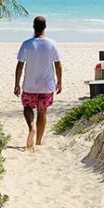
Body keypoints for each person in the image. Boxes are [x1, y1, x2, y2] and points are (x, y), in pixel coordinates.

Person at [14, 16, 62, 150]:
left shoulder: (27, 44)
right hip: (46, 86)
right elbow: (58, 65)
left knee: (27, 107)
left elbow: (20, 66)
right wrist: (59, 82)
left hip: (30, 85)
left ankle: (31, 127)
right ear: (45, 27)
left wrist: (17, 84)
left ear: (33, 27)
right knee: (42, 112)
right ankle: (39, 141)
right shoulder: (52, 43)